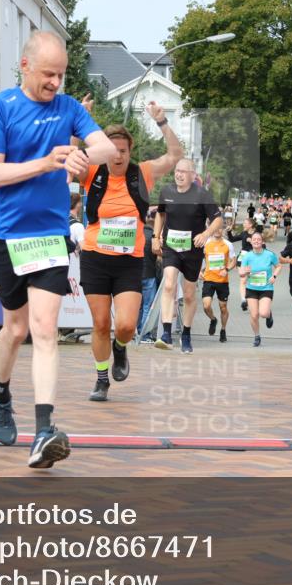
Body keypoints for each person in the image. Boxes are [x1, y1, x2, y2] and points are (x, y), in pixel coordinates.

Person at [0, 30, 115, 468]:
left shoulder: (69, 108)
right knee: (15, 329)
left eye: (61, 74)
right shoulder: (0, 108)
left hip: (50, 236)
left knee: (44, 329)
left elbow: (107, 147)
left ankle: (43, 431)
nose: (56, 82)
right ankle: (1, 393)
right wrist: (46, 163)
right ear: (25, 66)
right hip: (6, 234)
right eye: (48, 74)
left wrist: (81, 154)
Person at [79, 105, 183, 401]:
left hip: (128, 261)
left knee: (125, 325)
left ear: (130, 150)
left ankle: (121, 347)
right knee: (101, 324)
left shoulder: (143, 173)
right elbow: (67, 159)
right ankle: (101, 379)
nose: (118, 156)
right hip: (95, 258)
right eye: (112, 150)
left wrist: (162, 121)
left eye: (123, 151)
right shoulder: (92, 172)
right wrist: (78, 124)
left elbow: (175, 155)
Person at [152, 158, 222, 354]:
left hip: (193, 250)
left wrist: (205, 234)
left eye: (184, 171)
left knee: (189, 294)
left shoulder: (202, 194)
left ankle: (186, 334)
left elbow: (217, 219)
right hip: (171, 247)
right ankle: (166, 333)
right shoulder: (167, 192)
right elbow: (160, 214)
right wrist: (156, 237)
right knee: (169, 284)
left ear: (193, 175)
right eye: (177, 170)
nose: (179, 174)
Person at [239, 231, 280, 347]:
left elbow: (278, 266)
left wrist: (274, 276)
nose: (256, 241)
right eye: (254, 239)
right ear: (251, 242)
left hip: (266, 288)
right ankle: (257, 336)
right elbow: (241, 273)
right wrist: (244, 272)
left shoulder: (269, 255)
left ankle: (268, 314)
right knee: (254, 315)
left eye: (258, 239)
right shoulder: (247, 256)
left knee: (263, 313)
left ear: (262, 242)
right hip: (251, 288)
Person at [200, 226, 237, 342]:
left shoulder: (228, 244)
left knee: (223, 307)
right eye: (215, 228)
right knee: (206, 306)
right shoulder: (205, 243)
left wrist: (227, 269)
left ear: (223, 230)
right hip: (208, 279)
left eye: (220, 228)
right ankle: (213, 319)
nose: (217, 231)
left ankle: (223, 330)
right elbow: (198, 258)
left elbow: (233, 261)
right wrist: (198, 271)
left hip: (222, 280)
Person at [138, 207, 160, 344]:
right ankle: (144, 334)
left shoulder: (138, 234)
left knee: (139, 306)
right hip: (149, 274)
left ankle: (137, 331)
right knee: (148, 306)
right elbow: (159, 256)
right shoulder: (154, 237)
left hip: (135, 275)